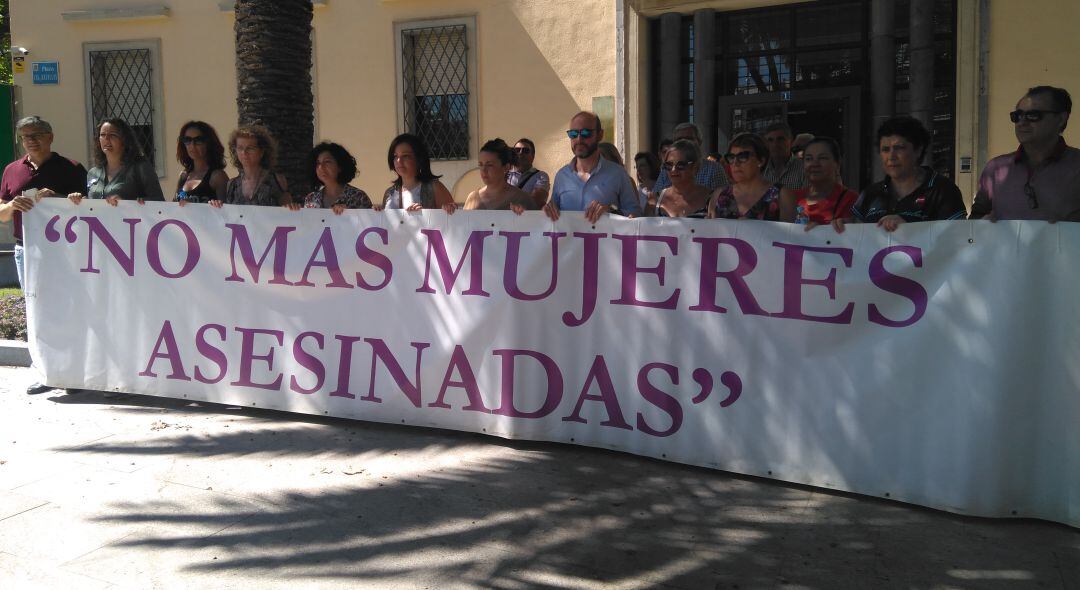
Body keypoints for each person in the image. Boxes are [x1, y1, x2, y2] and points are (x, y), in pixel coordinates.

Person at [0, 116, 87, 396]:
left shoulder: (72, 168)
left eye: (37, 134)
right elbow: (1, 215)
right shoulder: (12, 170)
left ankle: (73, 375)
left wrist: (60, 197)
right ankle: (46, 372)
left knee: (69, 310)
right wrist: (13, 204)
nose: (31, 140)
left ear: (50, 136)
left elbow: (88, 208)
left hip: (66, 253)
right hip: (26, 251)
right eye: (25, 135)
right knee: (38, 313)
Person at [969, 86, 1079, 221]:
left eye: (1033, 115)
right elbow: (975, 219)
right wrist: (982, 224)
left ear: (1061, 118)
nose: (1022, 122)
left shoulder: (1076, 166)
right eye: (1017, 116)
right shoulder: (996, 169)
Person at [844, 116, 966, 232]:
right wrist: (841, 229)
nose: (891, 156)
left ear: (918, 150)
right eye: (885, 150)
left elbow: (958, 239)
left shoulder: (943, 190)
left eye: (899, 148)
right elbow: (857, 240)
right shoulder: (870, 194)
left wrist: (909, 230)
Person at [545, 111, 641, 222]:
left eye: (586, 133)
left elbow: (636, 215)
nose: (579, 139)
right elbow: (552, 212)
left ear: (600, 135)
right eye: (573, 134)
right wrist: (548, 210)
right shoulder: (562, 176)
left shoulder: (618, 174)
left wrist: (611, 211)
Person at [68, 118, 165, 206]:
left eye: (112, 135)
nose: (106, 139)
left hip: (130, 224)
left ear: (124, 140)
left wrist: (128, 204)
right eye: (102, 135)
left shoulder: (140, 167)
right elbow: (91, 207)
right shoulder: (93, 173)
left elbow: (159, 202)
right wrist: (79, 200)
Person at [709, 133, 792, 221]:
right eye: (731, 157)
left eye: (743, 157)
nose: (735, 163)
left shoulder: (782, 195)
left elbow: (788, 233)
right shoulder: (719, 195)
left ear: (761, 161)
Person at [783, 137, 859, 231]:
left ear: (837, 163)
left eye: (822, 158)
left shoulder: (851, 200)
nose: (814, 164)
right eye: (809, 159)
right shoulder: (791, 198)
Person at [382, 133, 456, 213]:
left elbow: (452, 219)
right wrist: (376, 212)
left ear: (419, 159)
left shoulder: (434, 188)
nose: (399, 161)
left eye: (406, 156)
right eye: (395, 156)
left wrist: (448, 208)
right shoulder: (389, 193)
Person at [651, 122, 730, 198]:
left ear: (699, 141)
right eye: (679, 139)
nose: (684, 142)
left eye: (689, 138)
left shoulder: (714, 169)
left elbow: (723, 201)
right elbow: (656, 198)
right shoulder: (668, 169)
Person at [223, 125, 291, 207]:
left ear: (262, 152)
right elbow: (228, 215)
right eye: (240, 148)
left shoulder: (277, 180)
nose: (244, 153)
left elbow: (287, 212)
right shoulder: (232, 185)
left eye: (250, 148)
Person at [464, 138, 535, 212]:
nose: (483, 170)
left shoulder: (522, 199)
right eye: (481, 165)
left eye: (489, 165)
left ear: (506, 167)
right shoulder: (472, 198)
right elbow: (463, 222)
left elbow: (537, 222)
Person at [300, 142, 373, 213]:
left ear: (340, 166)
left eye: (327, 162)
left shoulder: (358, 197)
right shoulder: (311, 199)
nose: (321, 167)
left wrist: (349, 214)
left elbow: (370, 222)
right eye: (318, 163)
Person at [174, 121, 228, 207]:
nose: (192, 145)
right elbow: (172, 208)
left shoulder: (218, 177)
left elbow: (227, 212)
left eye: (198, 140)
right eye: (187, 140)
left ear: (209, 143)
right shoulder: (183, 176)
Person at [652, 139, 710, 218]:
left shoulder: (710, 199)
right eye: (669, 165)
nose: (673, 170)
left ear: (695, 167)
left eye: (681, 165)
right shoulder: (656, 199)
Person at [761, 122, 808, 190]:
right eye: (770, 140)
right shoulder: (761, 170)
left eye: (780, 139)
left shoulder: (804, 169)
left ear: (791, 141)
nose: (775, 144)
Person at [506, 138, 550, 209]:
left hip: (530, 219)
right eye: (517, 150)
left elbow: (535, 202)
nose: (520, 153)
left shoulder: (541, 176)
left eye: (525, 151)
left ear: (533, 156)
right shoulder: (504, 174)